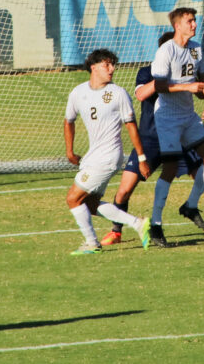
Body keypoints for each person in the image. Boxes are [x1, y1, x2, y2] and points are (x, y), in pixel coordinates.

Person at [101, 34, 204, 248]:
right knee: (125, 188)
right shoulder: (147, 72)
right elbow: (141, 94)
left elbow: (202, 85)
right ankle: (116, 231)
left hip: (181, 136)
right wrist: (167, 81)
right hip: (151, 140)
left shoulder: (187, 70)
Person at [63, 48, 152, 255]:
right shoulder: (78, 93)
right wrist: (69, 151)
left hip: (108, 157)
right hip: (93, 157)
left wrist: (141, 158)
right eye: (106, 65)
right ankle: (138, 223)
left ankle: (92, 243)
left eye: (113, 64)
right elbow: (69, 121)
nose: (111, 69)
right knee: (91, 205)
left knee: (73, 199)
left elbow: (131, 126)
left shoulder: (118, 93)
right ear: (93, 67)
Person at [150, 7, 204, 243]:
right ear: (177, 25)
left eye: (194, 20)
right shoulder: (166, 51)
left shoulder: (195, 48)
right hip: (168, 118)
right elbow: (159, 86)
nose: (194, 24)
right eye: (189, 21)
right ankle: (156, 225)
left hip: (189, 116)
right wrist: (187, 87)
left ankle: (191, 205)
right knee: (170, 169)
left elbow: (203, 77)